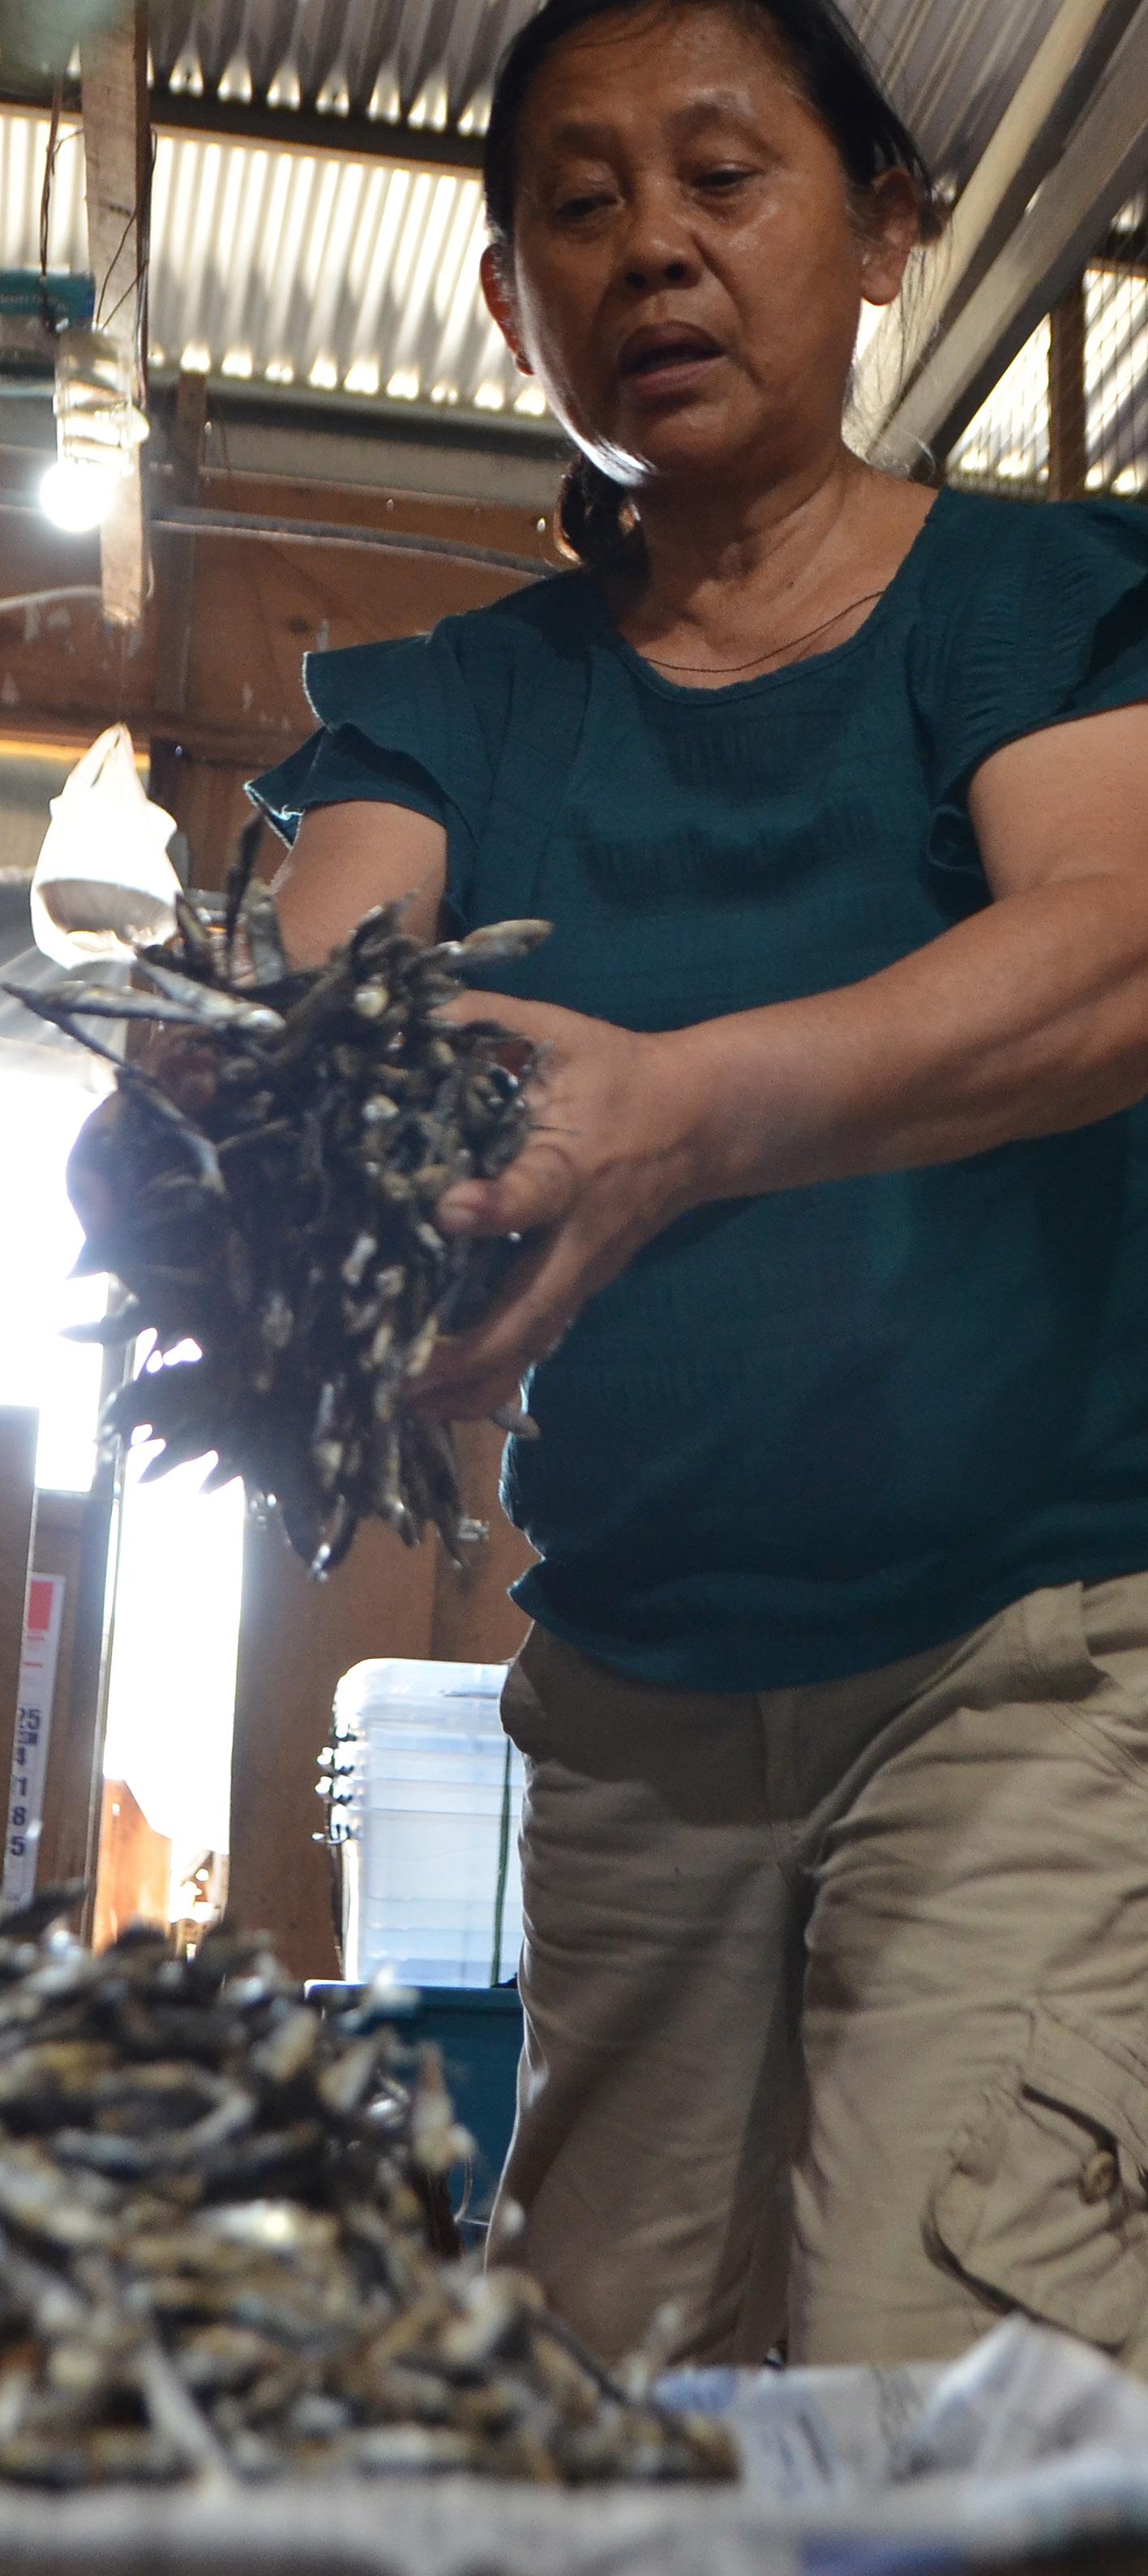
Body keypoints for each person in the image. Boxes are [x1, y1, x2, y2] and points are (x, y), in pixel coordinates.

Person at [250, 0, 1148, 2374]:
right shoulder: (456, 704)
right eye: (579, 204)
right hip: (635, 1695)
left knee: (935, 2375)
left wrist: (688, 1114)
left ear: (883, 231)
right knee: (608, 2387)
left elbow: (1112, 953)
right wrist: (272, 1145)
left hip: (1019, 1666)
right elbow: (330, 991)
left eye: (723, 178)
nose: (651, 245)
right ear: (507, 300)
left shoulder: (1035, 611)